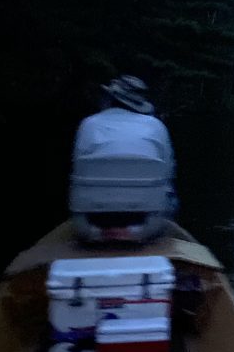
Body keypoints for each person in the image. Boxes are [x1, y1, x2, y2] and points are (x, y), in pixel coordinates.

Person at [70, 75, 178, 242]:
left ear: (110, 99)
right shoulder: (157, 126)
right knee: (171, 194)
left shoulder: (88, 124)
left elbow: (77, 168)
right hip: (147, 226)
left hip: (89, 226)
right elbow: (168, 174)